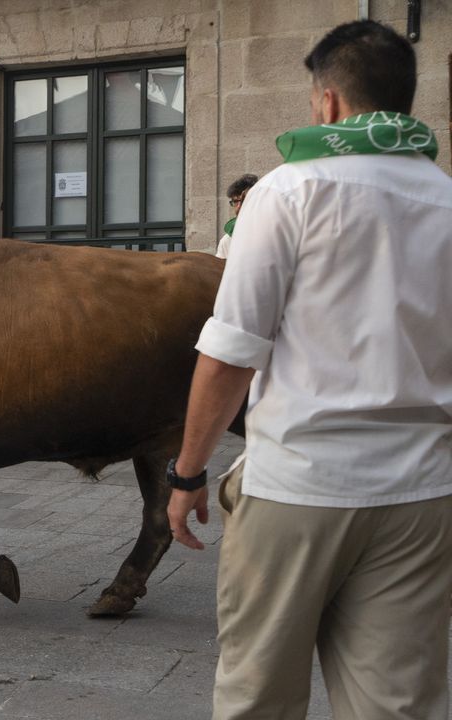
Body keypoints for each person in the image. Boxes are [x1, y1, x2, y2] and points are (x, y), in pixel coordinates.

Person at [166, 20, 452, 719]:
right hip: (422, 492)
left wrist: (186, 471)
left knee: (258, 693)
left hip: (301, 484)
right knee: (398, 705)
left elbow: (232, 351)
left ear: (326, 102)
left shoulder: (287, 192)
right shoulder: (447, 199)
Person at [215, 174, 258, 259]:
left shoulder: (275, 233)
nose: (239, 207)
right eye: (235, 202)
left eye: (244, 200)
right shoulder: (227, 241)